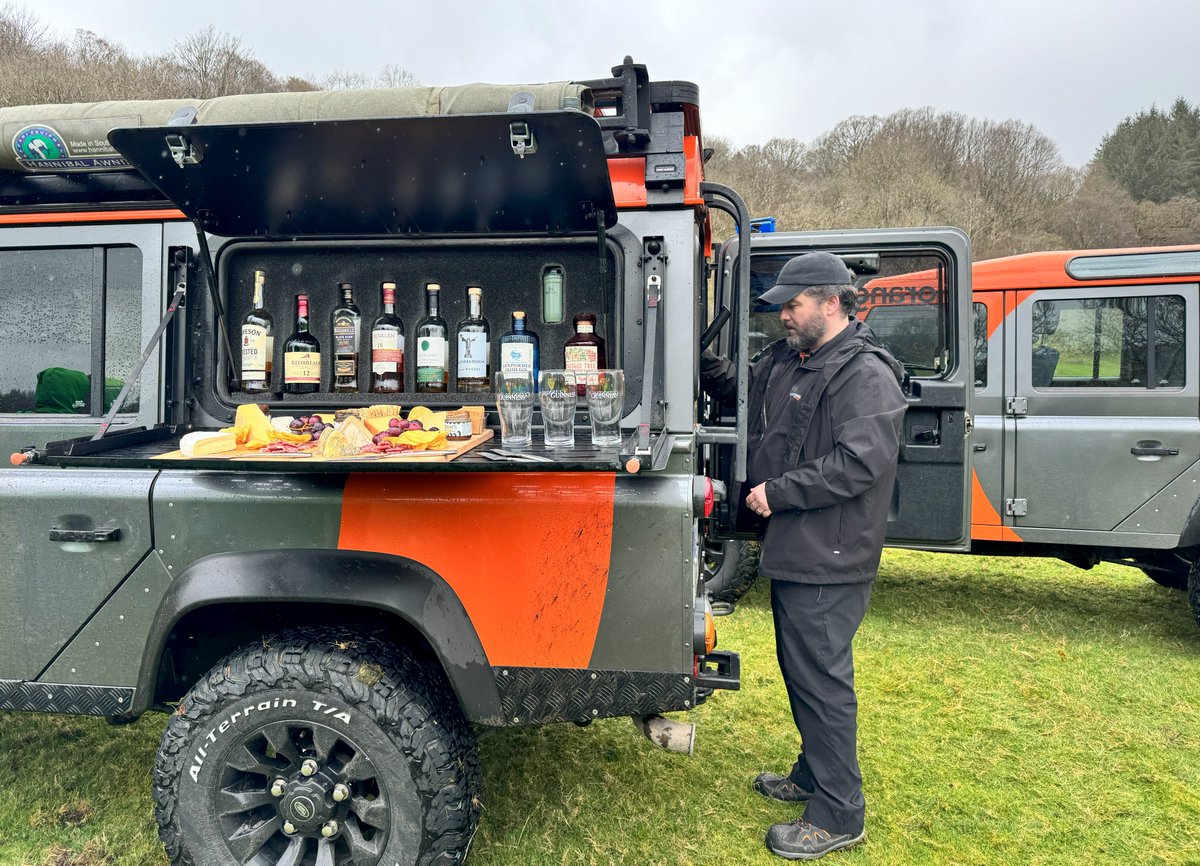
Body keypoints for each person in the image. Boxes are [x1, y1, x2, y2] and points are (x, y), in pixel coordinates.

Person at [701, 251, 907, 860]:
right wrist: (691, 350)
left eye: (792, 306)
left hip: (831, 552)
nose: (783, 317)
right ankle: (813, 774)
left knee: (822, 678)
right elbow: (738, 386)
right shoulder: (793, 360)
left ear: (832, 302)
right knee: (803, 672)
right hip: (798, 546)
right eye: (781, 307)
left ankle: (840, 811)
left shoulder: (865, 374)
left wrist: (776, 493)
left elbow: (859, 464)